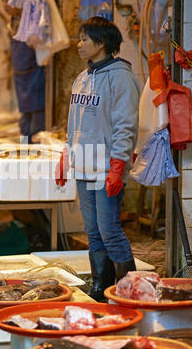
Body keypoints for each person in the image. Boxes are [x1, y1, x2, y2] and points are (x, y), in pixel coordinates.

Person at [55, 16, 140, 301]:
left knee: (110, 231)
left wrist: (118, 166)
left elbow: (125, 125)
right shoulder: (83, 76)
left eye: (84, 40)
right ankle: (100, 287)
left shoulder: (121, 78)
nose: (79, 45)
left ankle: (129, 289)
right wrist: (66, 155)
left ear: (101, 43)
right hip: (84, 167)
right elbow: (74, 125)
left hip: (105, 169)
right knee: (92, 232)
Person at [0, 0, 45, 143]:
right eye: (2, 0)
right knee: (24, 127)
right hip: (21, 77)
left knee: (37, 129)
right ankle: (25, 161)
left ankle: (38, 164)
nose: (4, 5)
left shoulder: (32, 19)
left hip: (36, 76)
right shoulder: (13, 21)